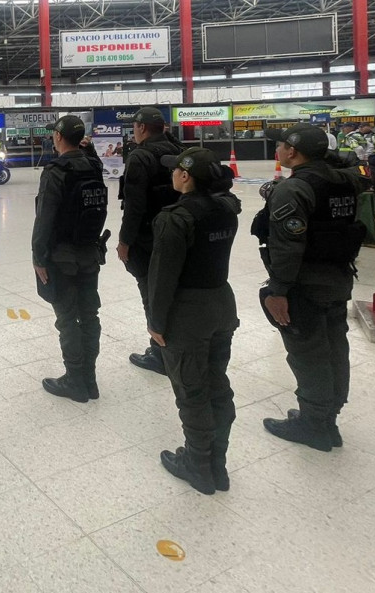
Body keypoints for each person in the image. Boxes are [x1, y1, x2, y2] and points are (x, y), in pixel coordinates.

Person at [257, 123, 369, 452]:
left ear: (291, 151)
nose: (277, 150)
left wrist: (277, 291)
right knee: (335, 347)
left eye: (280, 146)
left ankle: (313, 424)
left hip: (305, 284)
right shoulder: (346, 179)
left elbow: (288, 248)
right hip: (338, 278)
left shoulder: (294, 189)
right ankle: (327, 418)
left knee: (307, 353)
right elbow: (359, 169)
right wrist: (323, 155)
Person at [148, 148, 241, 495]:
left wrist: (156, 323)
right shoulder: (226, 211)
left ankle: (198, 465)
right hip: (221, 304)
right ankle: (217, 461)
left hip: (188, 314)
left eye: (176, 171)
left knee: (192, 391)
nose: (172, 174)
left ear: (185, 176)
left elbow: (162, 278)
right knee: (217, 383)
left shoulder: (175, 218)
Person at [33, 115, 109, 403]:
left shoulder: (56, 171)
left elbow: (45, 218)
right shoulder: (94, 166)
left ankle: (74, 380)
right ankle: (89, 379)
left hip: (62, 257)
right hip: (90, 252)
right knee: (90, 316)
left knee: (67, 318)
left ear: (57, 136)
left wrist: (38, 257)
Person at [116, 107, 185, 376]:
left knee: (151, 293)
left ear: (142, 128)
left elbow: (135, 206)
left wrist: (124, 241)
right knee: (175, 291)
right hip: (179, 233)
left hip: (148, 238)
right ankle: (175, 345)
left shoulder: (140, 157)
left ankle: (159, 354)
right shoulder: (179, 150)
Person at [359, 124, 375, 192]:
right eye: (360, 127)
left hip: (371, 158)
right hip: (361, 158)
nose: (361, 128)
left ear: (369, 127)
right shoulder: (359, 136)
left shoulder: (374, 136)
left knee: (372, 174)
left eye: (363, 126)